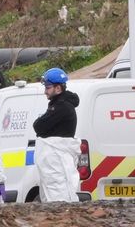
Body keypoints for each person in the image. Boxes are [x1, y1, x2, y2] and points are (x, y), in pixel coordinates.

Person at [32, 67, 81, 203]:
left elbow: (38, 126)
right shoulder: (59, 105)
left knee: (59, 198)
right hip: (56, 160)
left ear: (58, 88)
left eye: (47, 88)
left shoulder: (61, 107)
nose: (45, 92)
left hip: (58, 161)